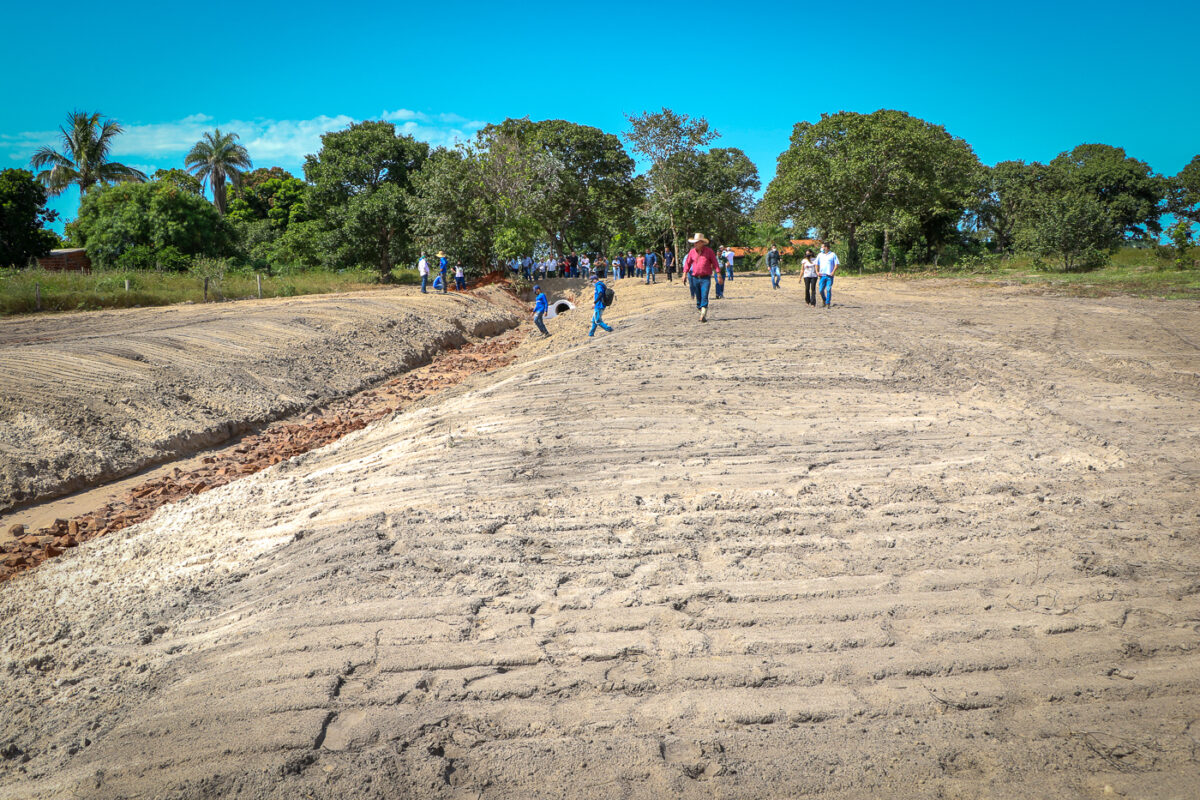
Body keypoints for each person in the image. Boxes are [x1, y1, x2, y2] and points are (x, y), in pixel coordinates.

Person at [681, 232, 718, 322]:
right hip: (694, 278)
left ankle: (703, 314)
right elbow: (688, 263)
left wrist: (718, 273)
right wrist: (684, 274)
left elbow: (715, 262)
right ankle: (700, 309)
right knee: (698, 297)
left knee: (704, 295)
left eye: (697, 242)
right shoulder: (692, 252)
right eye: (695, 242)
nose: (695, 244)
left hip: (705, 278)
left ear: (702, 242)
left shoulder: (709, 251)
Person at [816, 242, 839, 308]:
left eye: (822, 247)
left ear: (826, 247)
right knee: (821, 290)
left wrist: (833, 272)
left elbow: (836, 264)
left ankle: (828, 302)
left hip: (829, 275)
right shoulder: (820, 255)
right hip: (822, 275)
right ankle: (824, 299)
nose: (821, 248)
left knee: (828, 289)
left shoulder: (833, 255)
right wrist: (817, 271)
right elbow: (816, 263)